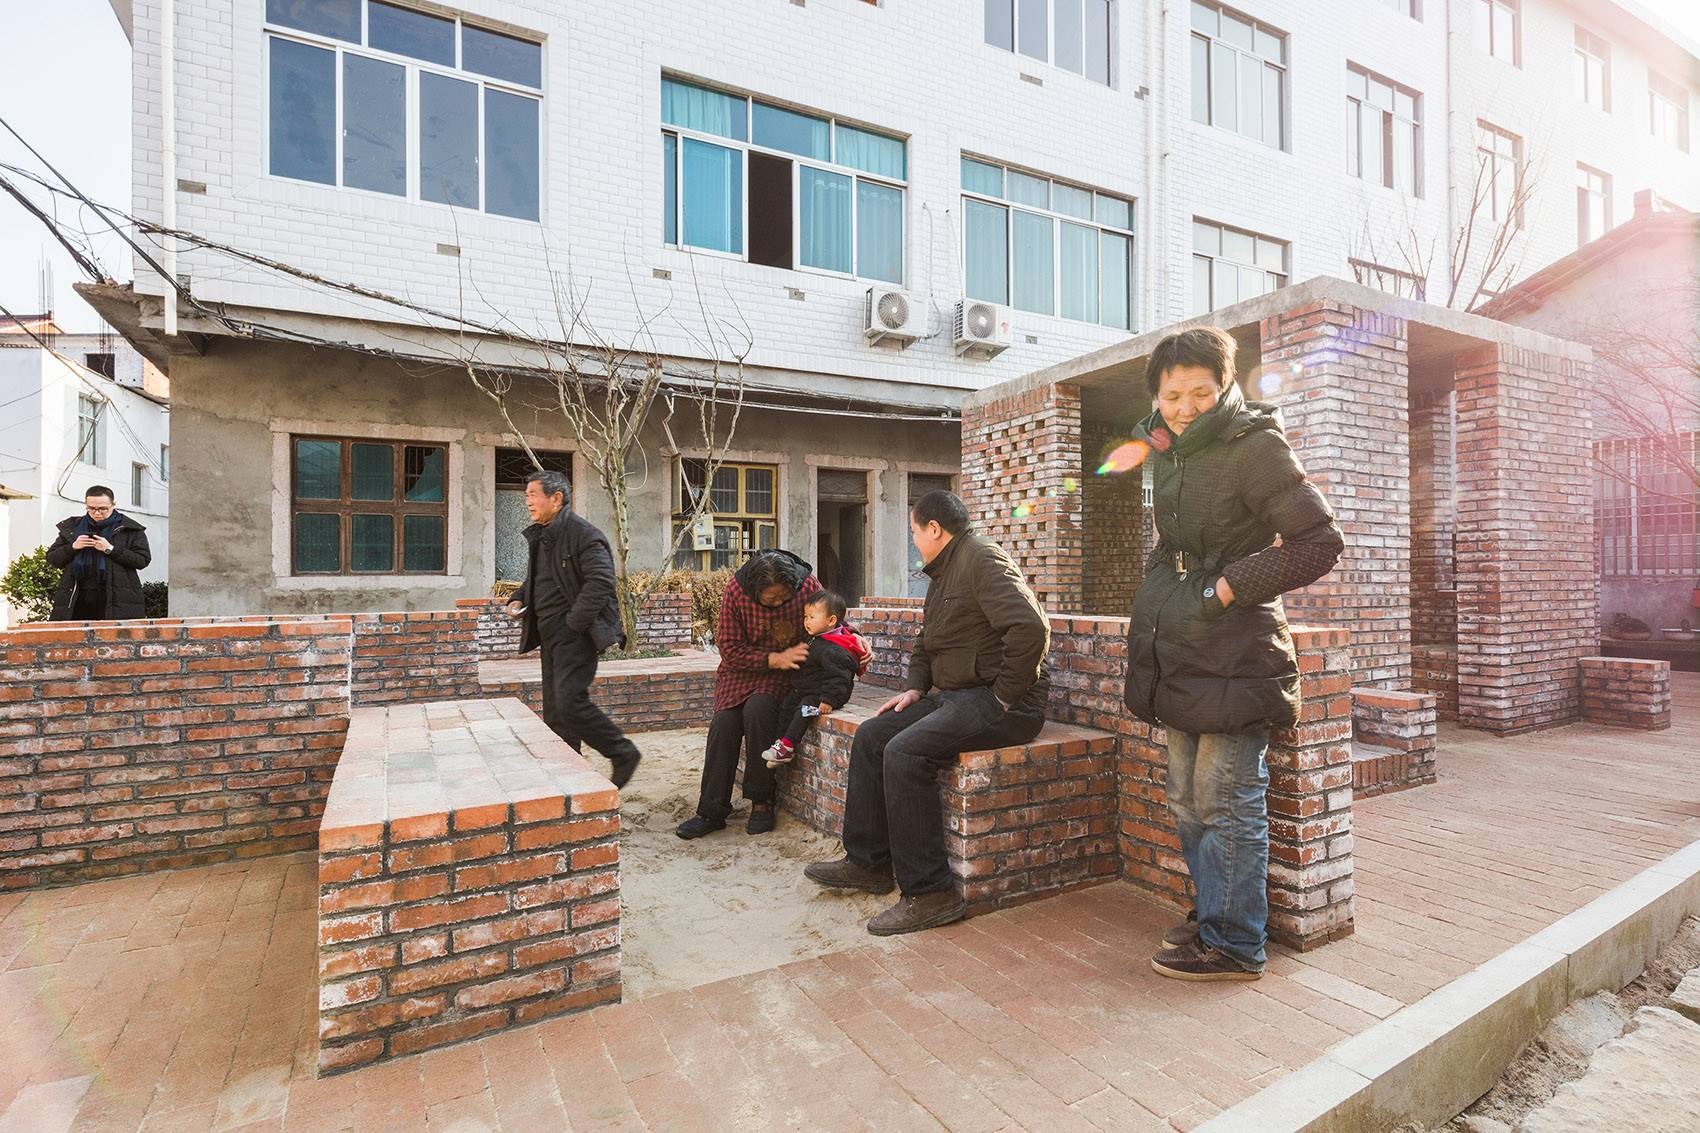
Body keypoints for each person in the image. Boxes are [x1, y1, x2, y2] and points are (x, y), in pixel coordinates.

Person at [1123, 326, 1344, 983]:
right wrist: (1164, 591)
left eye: (1200, 392)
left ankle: (1237, 943)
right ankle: (1214, 916)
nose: (1185, 407)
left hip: (1239, 648)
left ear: (1225, 387)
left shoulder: (1255, 446)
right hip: (1185, 646)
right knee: (1188, 799)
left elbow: (1319, 542)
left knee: (1226, 800)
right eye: (1172, 395)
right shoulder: (1167, 449)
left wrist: (1225, 588)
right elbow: (1175, 542)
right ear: (1156, 395)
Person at [805, 490, 1051, 937]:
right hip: (956, 695)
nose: (914, 540)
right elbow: (926, 641)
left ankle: (930, 893)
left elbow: (1031, 627)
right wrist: (916, 688)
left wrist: (1003, 696)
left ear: (934, 529)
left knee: (905, 752)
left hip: (1004, 703)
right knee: (872, 736)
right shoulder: (943, 572)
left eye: (915, 531)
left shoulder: (982, 559)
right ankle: (868, 863)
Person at [677, 549, 836, 838]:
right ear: (755, 591)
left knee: (759, 710)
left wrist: (855, 642)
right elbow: (729, 648)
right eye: (771, 599)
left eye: (783, 597)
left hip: (785, 674)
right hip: (740, 670)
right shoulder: (736, 591)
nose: (779, 603)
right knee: (723, 723)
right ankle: (711, 811)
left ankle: (762, 800)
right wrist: (773, 658)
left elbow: (831, 620)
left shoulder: (807, 585)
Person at [506, 471, 642, 788]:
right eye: (526, 495)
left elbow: (601, 582)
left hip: (575, 634)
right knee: (556, 710)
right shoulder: (545, 535)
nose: (528, 502)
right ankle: (568, 774)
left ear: (556, 498)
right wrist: (518, 597)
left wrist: (573, 624)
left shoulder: (584, 535)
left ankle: (622, 753)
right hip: (549, 634)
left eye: (533, 494)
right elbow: (541, 577)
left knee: (570, 701)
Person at [760, 590, 870, 768]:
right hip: (808, 689)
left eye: (812, 617)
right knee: (787, 705)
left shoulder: (833, 648)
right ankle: (780, 745)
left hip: (823, 695)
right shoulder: (817, 638)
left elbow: (839, 677)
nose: (807, 621)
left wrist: (829, 699)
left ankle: (788, 745)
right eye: (805, 616)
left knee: (804, 711)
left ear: (831, 621)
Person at [47, 485, 152, 621]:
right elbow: (52, 559)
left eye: (102, 509)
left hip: (116, 597)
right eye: (91, 508)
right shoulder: (72, 527)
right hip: (76, 596)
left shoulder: (130, 528)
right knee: (74, 634)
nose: (97, 513)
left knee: (114, 635)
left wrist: (110, 549)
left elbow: (142, 560)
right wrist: (73, 547)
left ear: (113, 504)